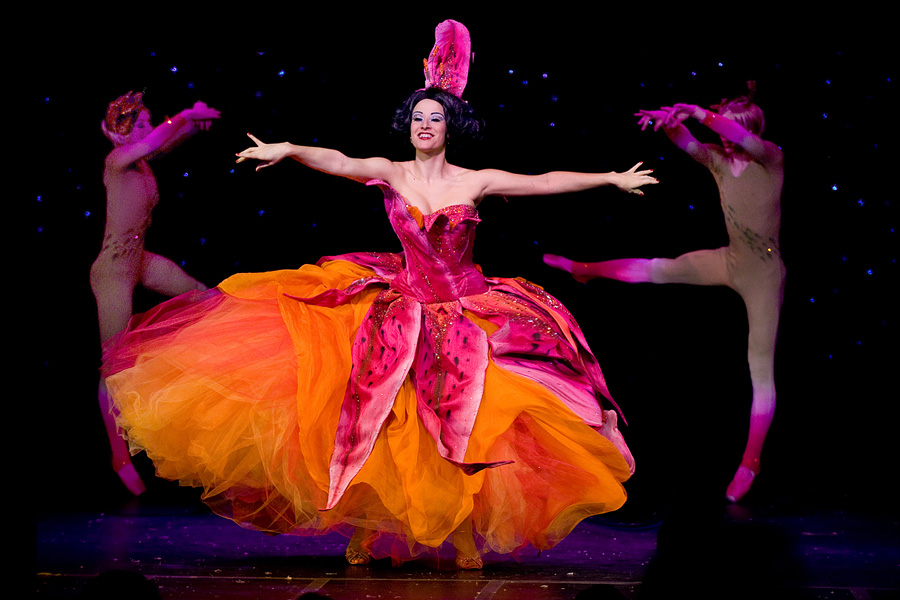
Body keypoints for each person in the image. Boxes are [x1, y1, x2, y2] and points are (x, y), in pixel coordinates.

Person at [101, 21, 655, 569]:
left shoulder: (474, 179)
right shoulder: (390, 171)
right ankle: (367, 526)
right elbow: (340, 161)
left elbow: (542, 181)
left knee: (468, 417)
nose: (424, 125)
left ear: (449, 126)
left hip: (467, 307)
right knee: (383, 416)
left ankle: (461, 534)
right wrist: (290, 148)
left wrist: (611, 178)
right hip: (401, 304)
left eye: (434, 118)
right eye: (417, 117)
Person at [544, 84, 784, 503]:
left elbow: (741, 136)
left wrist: (696, 110)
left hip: (763, 276)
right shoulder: (720, 161)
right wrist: (670, 124)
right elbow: (689, 144)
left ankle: (751, 460)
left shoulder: (770, 158)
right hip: (730, 260)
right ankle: (586, 271)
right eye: (726, 134)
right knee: (658, 269)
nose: (728, 139)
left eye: (735, 131)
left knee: (759, 368)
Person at [91, 92, 220, 495]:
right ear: (122, 132)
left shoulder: (142, 161)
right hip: (113, 271)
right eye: (141, 123)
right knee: (112, 367)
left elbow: (163, 143)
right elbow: (153, 141)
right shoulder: (117, 162)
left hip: (139, 259)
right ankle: (119, 456)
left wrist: (192, 126)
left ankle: (189, 369)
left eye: (149, 122)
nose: (148, 129)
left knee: (204, 296)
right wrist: (183, 114)